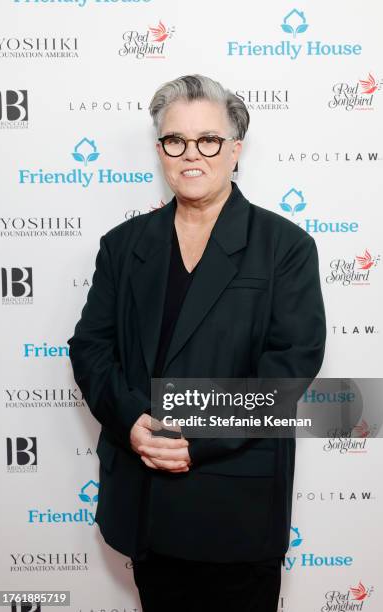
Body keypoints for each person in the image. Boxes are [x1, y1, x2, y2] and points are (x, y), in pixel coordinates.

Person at [68, 74, 326, 612]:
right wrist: (134, 419)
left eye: (208, 140)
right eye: (175, 141)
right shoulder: (122, 246)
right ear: (160, 149)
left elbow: (287, 371)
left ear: (234, 149)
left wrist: (192, 435)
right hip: (144, 503)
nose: (192, 155)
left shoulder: (285, 248)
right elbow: (90, 348)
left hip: (236, 506)